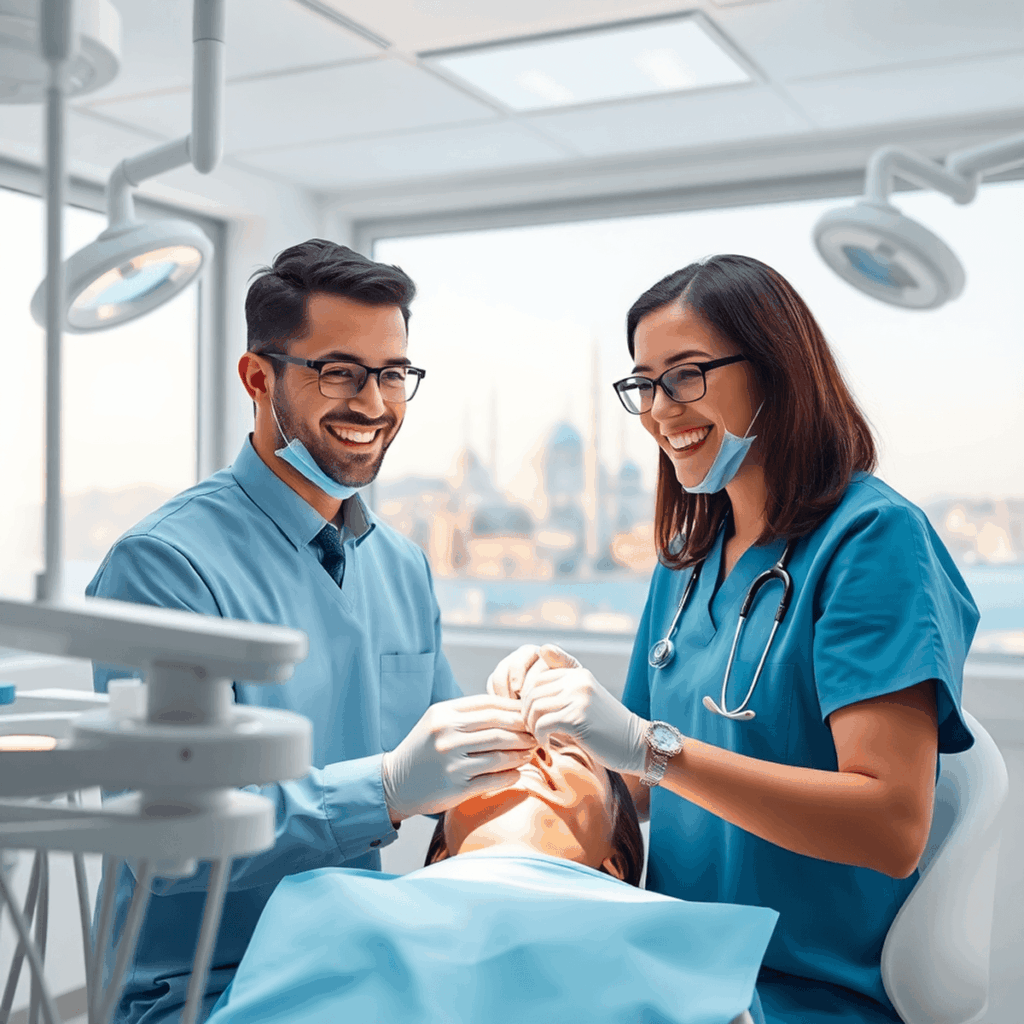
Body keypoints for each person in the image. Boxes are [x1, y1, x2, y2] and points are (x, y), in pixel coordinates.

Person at [489, 254, 979, 1024]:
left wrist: (649, 745)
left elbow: (891, 827)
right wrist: (550, 732)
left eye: (685, 375)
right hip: (672, 965)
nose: (659, 409)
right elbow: (644, 780)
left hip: (793, 992)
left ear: (777, 372)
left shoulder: (874, 542)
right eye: (644, 384)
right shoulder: (687, 558)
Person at [87, 239, 534, 1023]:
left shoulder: (400, 565)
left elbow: (449, 781)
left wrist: (549, 756)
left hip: (353, 963)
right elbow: (173, 834)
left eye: (393, 374)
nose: (373, 403)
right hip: (205, 994)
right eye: (340, 371)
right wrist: (387, 788)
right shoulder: (164, 567)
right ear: (259, 378)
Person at [205, 734, 779, 1024]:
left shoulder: (688, 945)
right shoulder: (319, 903)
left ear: (614, 864)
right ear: (438, 851)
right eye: (503, 753)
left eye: (566, 753)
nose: (530, 753)